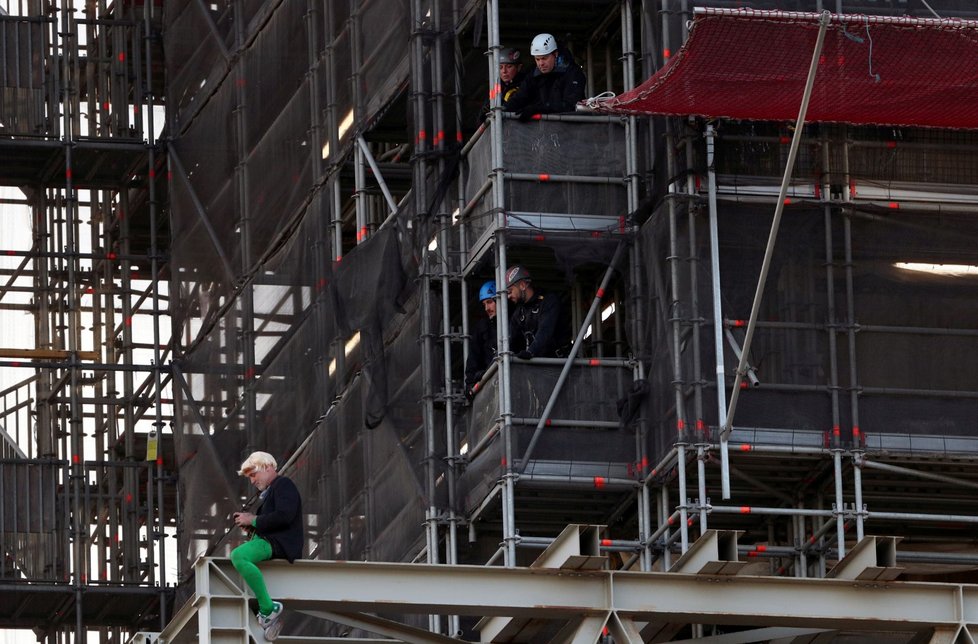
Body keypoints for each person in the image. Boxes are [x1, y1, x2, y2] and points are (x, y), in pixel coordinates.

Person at [231, 451, 303, 641]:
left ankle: (268, 609)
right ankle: (266, 614)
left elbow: (285, 516)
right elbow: (273, 520)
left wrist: (253, 519)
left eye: (253, 474)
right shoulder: (274, 490)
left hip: (278, 544)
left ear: (268, 467)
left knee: (239, 556)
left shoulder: (283, 484)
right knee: (242, 557)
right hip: (273, 541)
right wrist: (252, 526)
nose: (252, 481)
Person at [505, 33, 586, 122]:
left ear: (555, 54)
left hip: (570, 130)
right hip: (543, 130)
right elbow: (519, 98)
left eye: (544, 58)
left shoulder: (573, 73)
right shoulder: (533, 74)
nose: (541, 64)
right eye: (537, 59)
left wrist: (539, 109)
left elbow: (572, 104)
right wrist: (501, 110)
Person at [505, 265, 569, 359]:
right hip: (538, 367)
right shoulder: (518, 313)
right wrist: (489, 370)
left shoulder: (549, 301)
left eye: (510, 291)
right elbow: (509, 341)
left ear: (523, 285)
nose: (508, 296)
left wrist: (530, 352)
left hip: (559, 364)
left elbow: (545, 331)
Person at [465, 280, 499, 399]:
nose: (486, 308)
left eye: (489, 302)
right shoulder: (482, 328)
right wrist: (470, 384)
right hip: (491, 388)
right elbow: (473, 360)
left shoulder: (514, 320)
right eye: (484, 304)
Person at [479, 47, 526, 123]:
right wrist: (485, 111)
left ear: (519, 67)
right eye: (500, 67)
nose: (504, 71)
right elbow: (480, 121)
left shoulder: (526, 85)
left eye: (509, 66)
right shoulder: (496, 86)